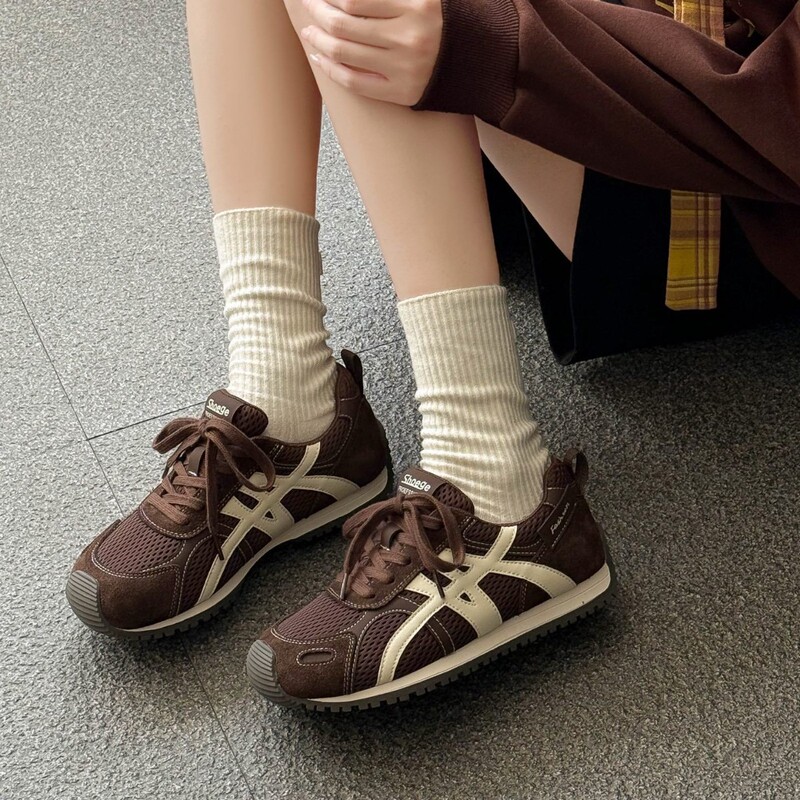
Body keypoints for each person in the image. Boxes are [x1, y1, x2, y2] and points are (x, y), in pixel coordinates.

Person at [65, 0, 797, 711]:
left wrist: (494, 46)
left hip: (731, 189)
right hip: (625, 89)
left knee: (378, 9)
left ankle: (494, 473)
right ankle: (284, 386)